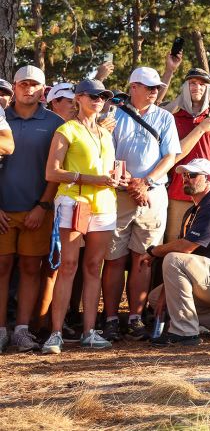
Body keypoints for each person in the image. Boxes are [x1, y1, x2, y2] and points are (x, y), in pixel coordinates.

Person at [41, 78, 121, 353]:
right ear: (79, 98)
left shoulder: (106, 133)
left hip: (104, 205)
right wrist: (91, 179)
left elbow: (106, 172)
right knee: (69, 266)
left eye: (103, 95)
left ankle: (89, 331)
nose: (99, 99)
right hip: (74, 202)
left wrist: (120, 179)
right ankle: (55, 333)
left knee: (93, 268)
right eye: (93, 95)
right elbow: (52, 173)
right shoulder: (67, 130)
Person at [103, 66, 182, 341]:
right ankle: (111, 318)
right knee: (113, 258)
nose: (154, 92)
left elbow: (170, 157)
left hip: (152, 194)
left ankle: (135, 318)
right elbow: (105, 154)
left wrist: (144, 183)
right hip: (119, 194)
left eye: (156, 88)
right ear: (132, 87)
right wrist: (130, 184)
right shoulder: (113, 115)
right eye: (148, 87)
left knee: (143, 259)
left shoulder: (164, 118)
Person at [144, 158, 210, 345]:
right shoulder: (195, 210)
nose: (186, 179)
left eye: (192, 175)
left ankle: (185, 332)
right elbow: (186, 254)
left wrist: (154, 251)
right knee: (155, 298)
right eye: (185, 175)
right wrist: (165, 294)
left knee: (173, 259)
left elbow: (185, 248)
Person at [0, 66, 61, 352]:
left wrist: (43, 205)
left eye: (34, 85)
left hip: (38, 209)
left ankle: (22, 330)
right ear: (14, 87)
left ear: (43, 89)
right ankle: (1, 330)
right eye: (23, 84)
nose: (28, 89)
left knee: (30, 268)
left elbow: (57, 171)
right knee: (1, 267)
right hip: (2, 209)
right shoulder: (1, 117)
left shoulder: (54, 123)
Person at [164, 68, 210, 241]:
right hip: (178, 194)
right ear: (185, 86)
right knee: (174, 243)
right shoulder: (172, 118)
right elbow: (169, 157)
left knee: (204, 249)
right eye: (193, 83)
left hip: (208, 196)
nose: (197, 88)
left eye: (202, 84)